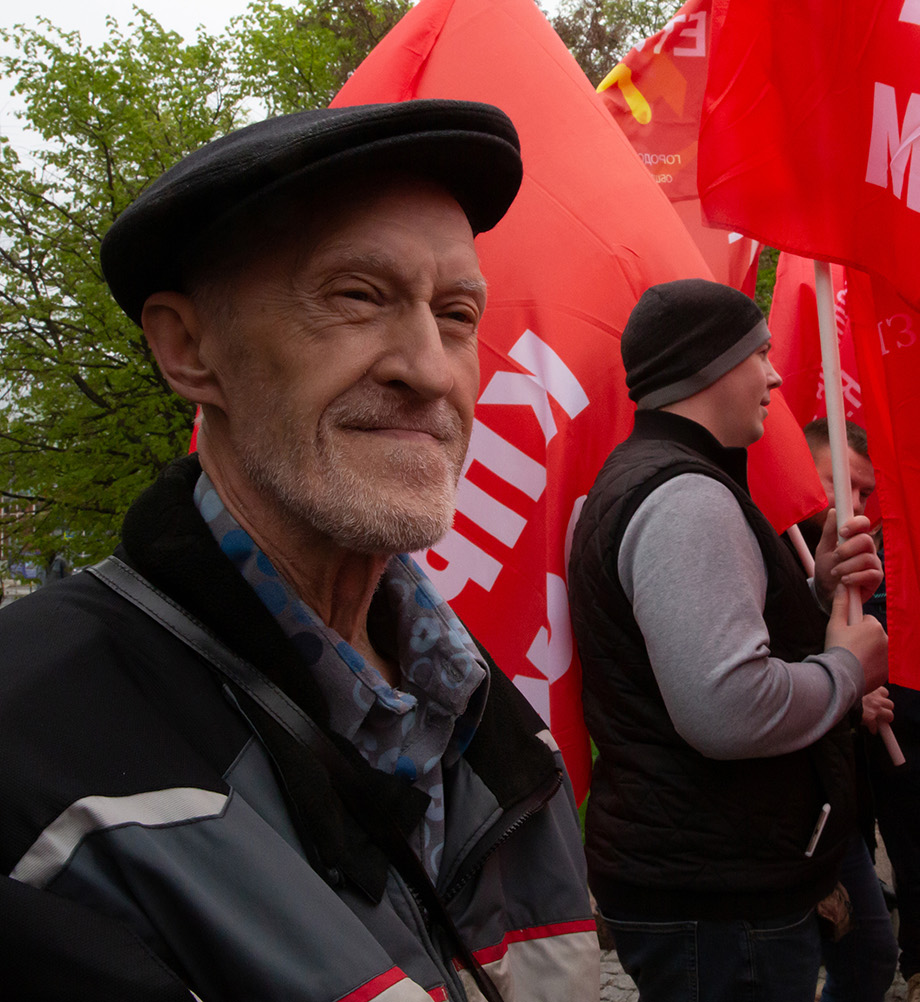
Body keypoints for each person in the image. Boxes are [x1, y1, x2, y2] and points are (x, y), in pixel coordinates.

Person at [0, 101, 599, 1002]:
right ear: (188, 347)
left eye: (459, 313)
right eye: (357, 296)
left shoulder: (491, 722)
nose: (432, 369)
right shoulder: (29, 739)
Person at [567, 278, 889, 1002]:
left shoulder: (663, 481)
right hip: (716, 894)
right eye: (760, 355)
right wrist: (847, 668)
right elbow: (728, 707)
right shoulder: (686, 498)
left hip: (709, 874)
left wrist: (813, 593)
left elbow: (704, 647)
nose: (775, 375)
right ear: (710, 365)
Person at [803, 418, 920, 1002]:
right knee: (848, 854)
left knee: (910, 841)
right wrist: (847, 694)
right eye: (841, 484)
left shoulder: (888, 542)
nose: (856, 504)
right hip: (829, 743)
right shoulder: (778, 546)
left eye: (865, 492)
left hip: (899, 716)